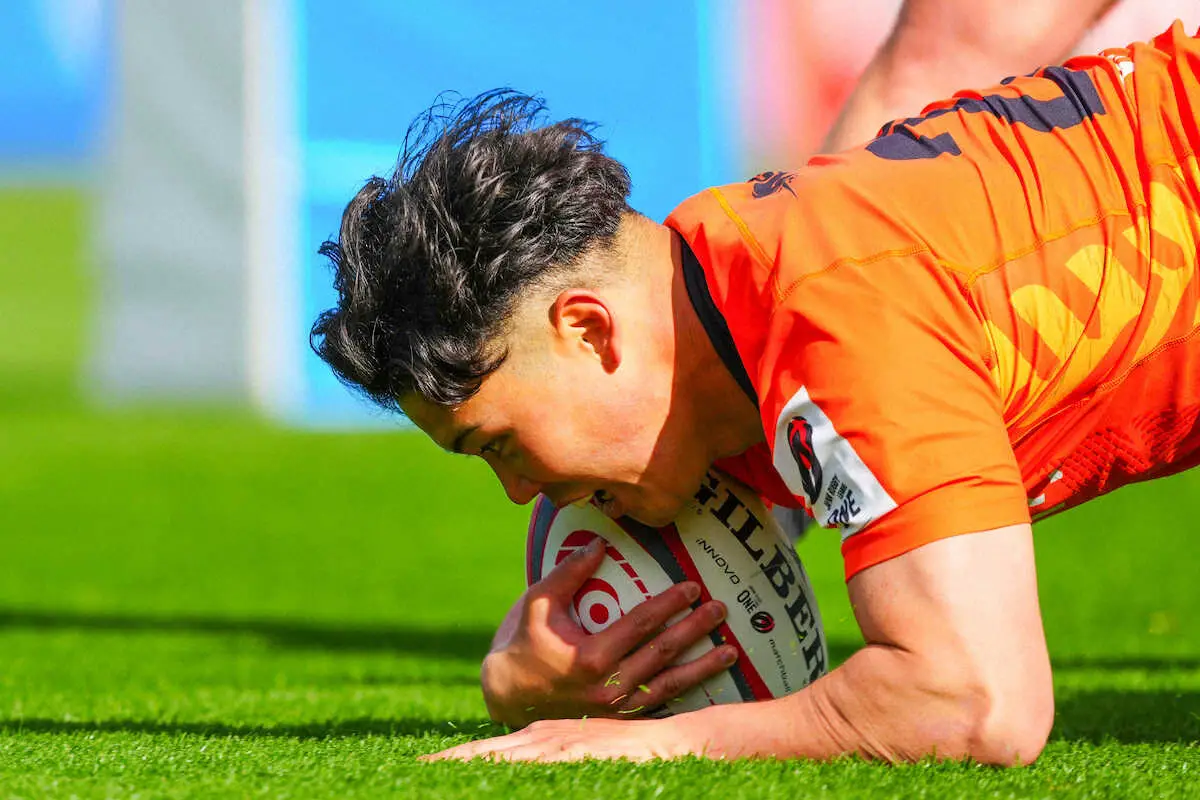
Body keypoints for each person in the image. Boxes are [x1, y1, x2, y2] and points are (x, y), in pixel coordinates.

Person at [309, 12, 1200, 764]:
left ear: (589, 330)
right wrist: (526, 686)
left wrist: (655, 743)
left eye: (498, 443)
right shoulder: (721, 280)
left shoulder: (833, 313)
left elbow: (975, 701)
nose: (518, 493)